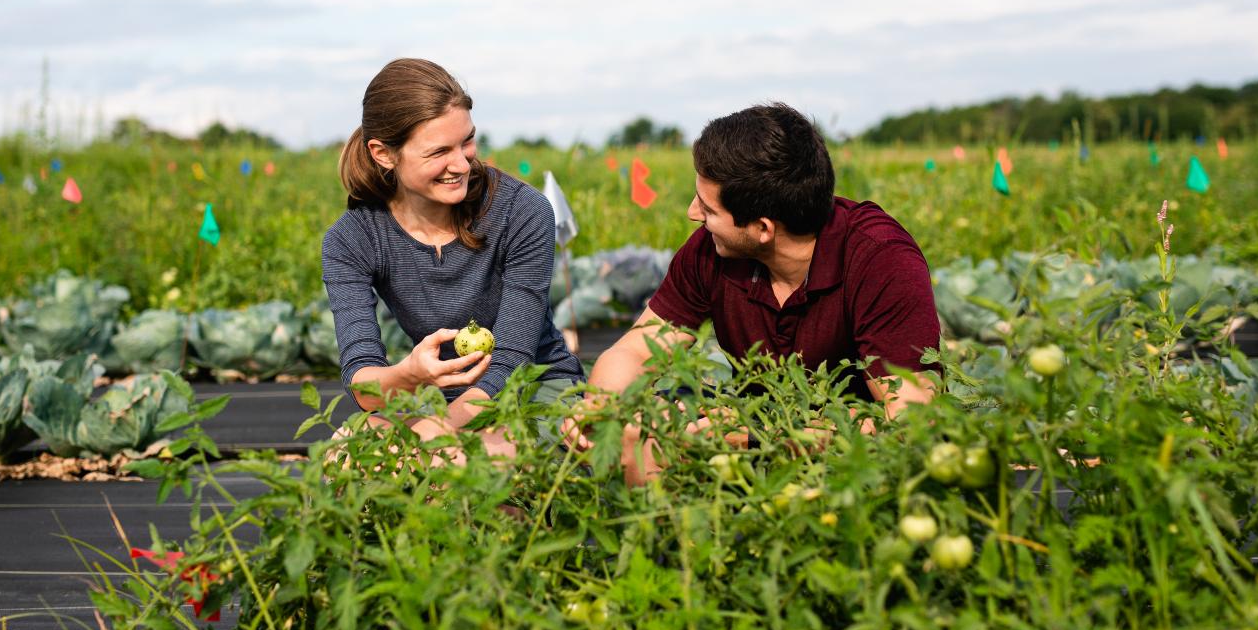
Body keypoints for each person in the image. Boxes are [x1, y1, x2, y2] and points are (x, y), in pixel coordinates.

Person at [570, 102, 941, 484]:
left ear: (763, 228)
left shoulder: (880, 261)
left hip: (854, 462)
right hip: (752, 432)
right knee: (641, 436)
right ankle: (659, 541)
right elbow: (638, 348)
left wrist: (758, 432)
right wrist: (602, 409)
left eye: (708, 208)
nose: (692, 213)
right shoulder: (709, 251)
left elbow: (910, 424)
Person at [323, 58, 585, 463]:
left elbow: (513, 361)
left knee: (465, 466)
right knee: (343, 457)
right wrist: (409, 375)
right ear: (383, 153)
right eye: (439, 151)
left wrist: (436, 430)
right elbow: (362, 378)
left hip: (534, 387)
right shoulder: (352, 239)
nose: (462, 164)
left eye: (467, 141)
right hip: (433, 393)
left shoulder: (521, 211)